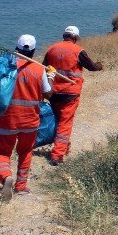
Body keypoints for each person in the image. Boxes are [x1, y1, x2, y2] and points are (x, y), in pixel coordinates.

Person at [0, 34, 53, 201]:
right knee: (26, 151)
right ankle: (21, 186)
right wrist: (51, 76)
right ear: (33, 51)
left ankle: (6, 177)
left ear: (16, 48)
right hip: (30, 120)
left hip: (8, 118)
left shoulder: (6, 67)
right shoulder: (39, 69)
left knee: (1, 152)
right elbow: (48, 93)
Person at [42, 25, 104, 165]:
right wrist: (100, 65)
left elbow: (43, 68)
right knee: (65, 123)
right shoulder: (78, 50)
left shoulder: (51, 49)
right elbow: (92, 67)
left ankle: (65, 147)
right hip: (70, 93)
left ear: (64, 35)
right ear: (75, 37)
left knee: (58, 120)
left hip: (52, 92)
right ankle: (57, 155)